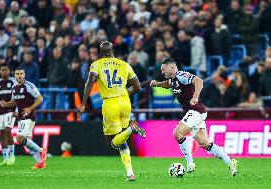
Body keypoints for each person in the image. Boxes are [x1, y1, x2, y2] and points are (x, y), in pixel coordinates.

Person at [150, 58, 238, 177]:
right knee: (205, 144)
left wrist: (195, 97)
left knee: (177, 133)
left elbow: (199, 81)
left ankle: (190, 163)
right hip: (195, 112)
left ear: (171, 67)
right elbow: (168, 84)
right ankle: (230, 162)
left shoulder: (181, 75)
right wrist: (157, 84)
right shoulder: (173, 79)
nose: (162, 72)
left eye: (163, 69)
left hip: (195, 111)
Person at [77, 41, 146, 181]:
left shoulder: (97, 64)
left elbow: (90, 83)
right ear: (112, 51)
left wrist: (83, 103)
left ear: (100, 53)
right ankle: (130, 173)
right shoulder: (124, 64)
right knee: (121, 141)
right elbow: (137, 86)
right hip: (125, 102)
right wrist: (125, 94)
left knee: (111, 143)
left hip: (110, 103)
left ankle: (130, 130)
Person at [0, 67, 47, 169]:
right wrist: (6, 104)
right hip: (21, 117)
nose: (19, 75)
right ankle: (40, 163)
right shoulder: (14, 88)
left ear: (24, 75)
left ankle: (41, 151)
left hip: (29, 116)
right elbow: (14, 101)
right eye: (17, 74)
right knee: (28, 141)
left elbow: (40, 99)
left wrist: (30, 108)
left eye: (21, 73)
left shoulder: (29, 85)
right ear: (15, 75)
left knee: (19, 138)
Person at [0, 63, 16, 166]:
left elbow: (18, 97)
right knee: (2, 134)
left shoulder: (14, 82)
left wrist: (17, 110)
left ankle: (12, 156)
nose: (4, 71)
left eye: (6, 70)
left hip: (10, 110)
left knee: (8, 130)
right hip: (0, 111)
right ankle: (5, 159)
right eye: (2, 70)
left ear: (9, 71)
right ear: (0, 72)